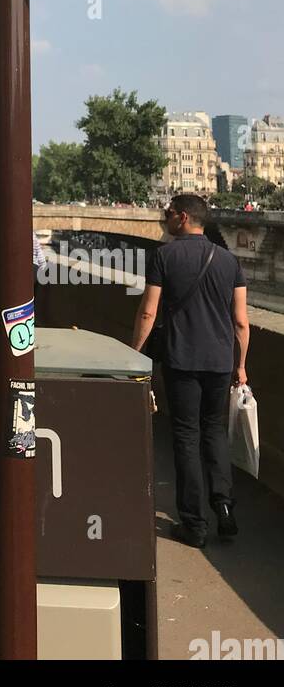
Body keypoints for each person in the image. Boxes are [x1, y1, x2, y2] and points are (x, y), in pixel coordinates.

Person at [132, 193, 250, 549]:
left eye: (168, 213)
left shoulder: (165, 256)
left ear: (182, 218)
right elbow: (241, 322)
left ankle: (194, 523)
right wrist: (241, 365)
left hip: (182, 360)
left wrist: (133, 355)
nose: (165, 219)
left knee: (186, 436)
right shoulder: (229, 261)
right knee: (214, 431)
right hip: (219, 361)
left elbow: (148, 313)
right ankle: (224, 507)